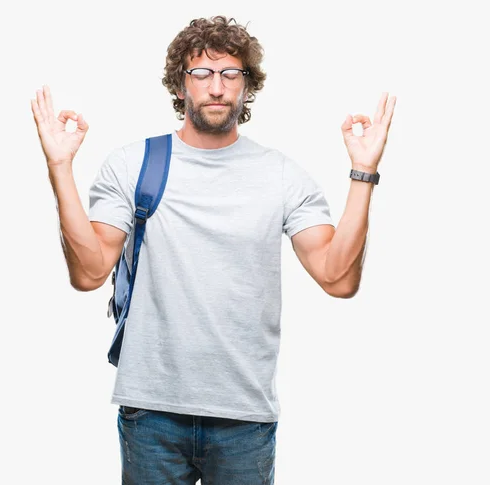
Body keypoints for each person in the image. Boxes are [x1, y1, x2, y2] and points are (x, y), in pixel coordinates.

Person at [31, 14, 396, 485]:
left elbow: (338, 278)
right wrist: (59, 167)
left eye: (230, 73)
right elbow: (89, 272)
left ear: (247, 86)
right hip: (152, 412)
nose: (217, 86)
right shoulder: (135, 163)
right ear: (181, 86)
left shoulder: (280, 174)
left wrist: (363, 173)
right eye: (201, 73)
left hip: (244, 414)